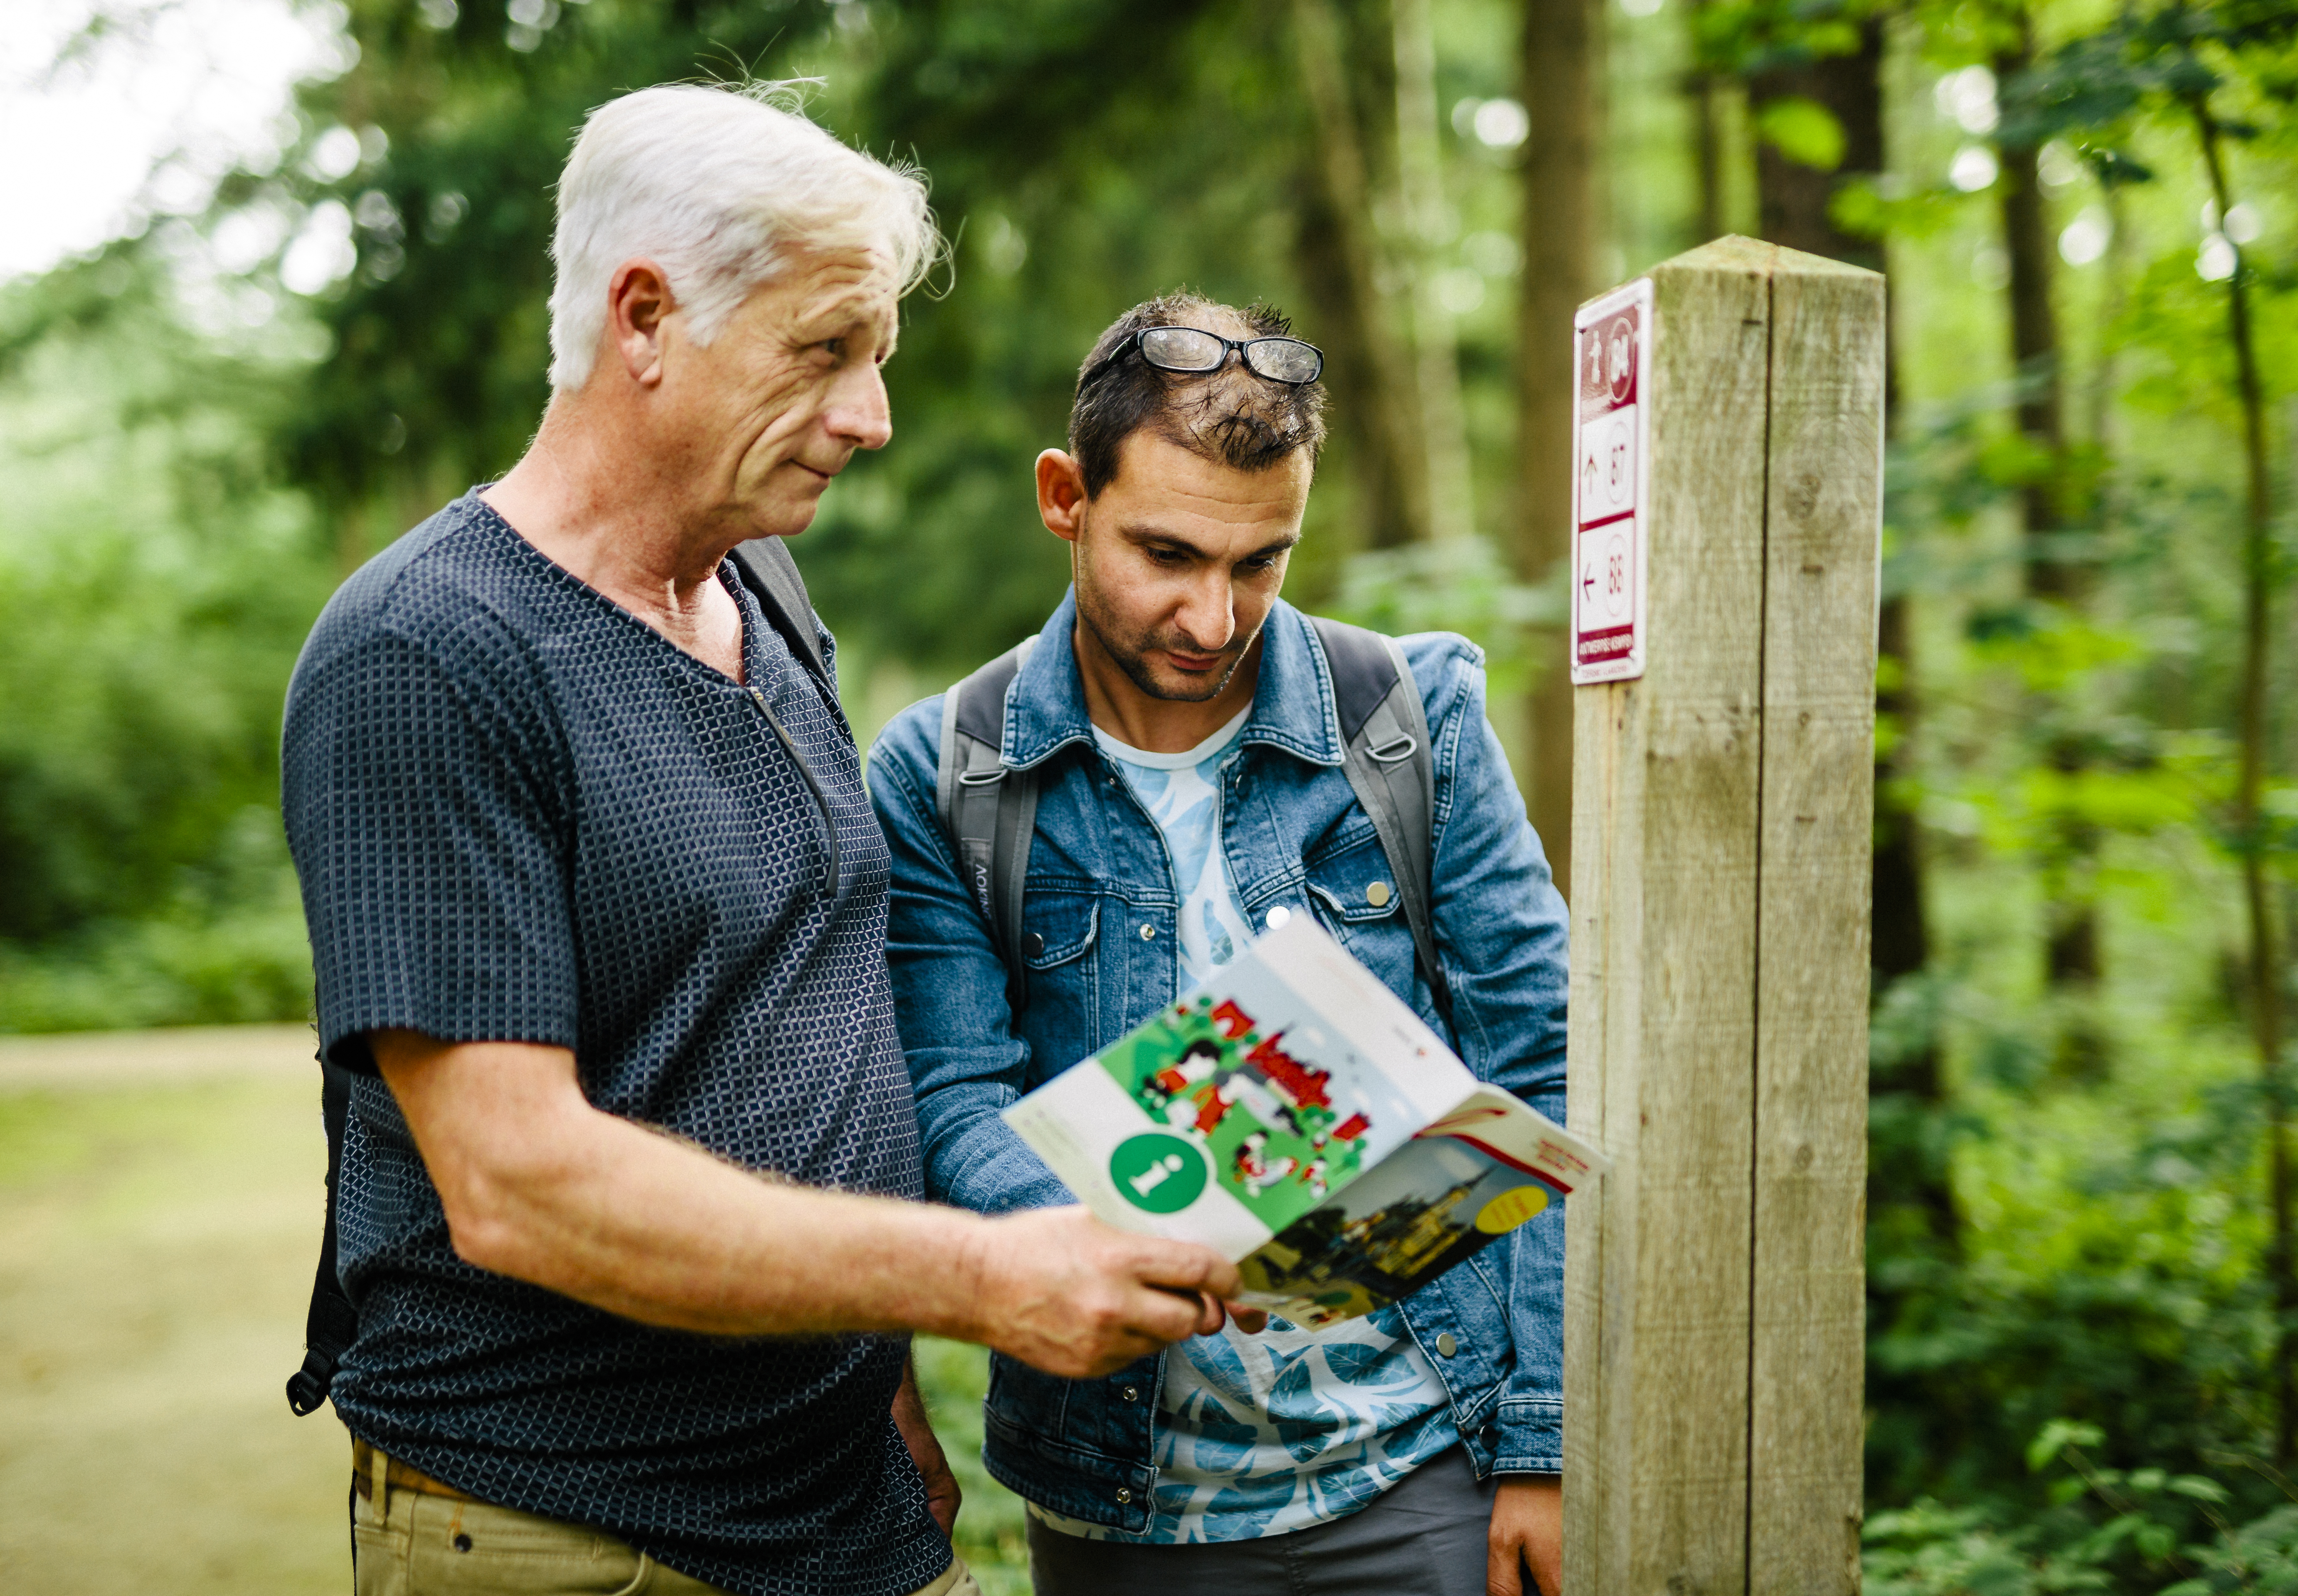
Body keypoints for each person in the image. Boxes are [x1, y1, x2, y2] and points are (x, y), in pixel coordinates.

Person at [279, 87, 1243, 1596]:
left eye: (877, 357)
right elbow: (517, 1183)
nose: (873, 415)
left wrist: (890, 1395)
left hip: (845, 1500)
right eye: (826, 350)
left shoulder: (764, 585)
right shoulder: (427, 654)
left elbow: (793, 1012)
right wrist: (983, 1278)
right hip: (580, 1533)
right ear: (646, 318)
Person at [868, 293, 1571, 1596]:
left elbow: (1541, 1058)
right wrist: (1123, 1244)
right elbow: (950, 1096)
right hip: (1125, 1498)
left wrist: (1545, 1449)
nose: (1211, 617)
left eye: (1261, 563)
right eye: (1170, 554)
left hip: (1429, 1463)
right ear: (1064, 496)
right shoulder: (944, 772)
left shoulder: (1412, 722)